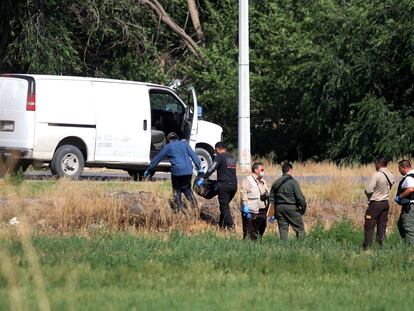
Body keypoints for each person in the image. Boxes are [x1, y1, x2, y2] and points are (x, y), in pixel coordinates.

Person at [145, 132, 202, 212]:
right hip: (188, 171)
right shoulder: (185, 144)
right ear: (177, 138)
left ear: (168, 140)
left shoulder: (167, 147)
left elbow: (157, 159)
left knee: (176, 189)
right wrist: (200, 169)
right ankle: (196, 209)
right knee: (187, 189)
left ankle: (179, 210)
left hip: (177, 171)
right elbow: (194, 156)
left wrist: (149, 169)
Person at [197, 142, 237, 230]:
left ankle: (231, 227)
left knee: (224, 207)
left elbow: (212, 168)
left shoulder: (219, 156)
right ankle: (221, 225)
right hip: (234, 186)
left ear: (218, 149)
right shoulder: (232, 157)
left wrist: (203, 178)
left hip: (224, 186)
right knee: (225, 206)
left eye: (215, 150)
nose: (216, 152)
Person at [363, 158, 395, 250]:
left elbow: (369, 189)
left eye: (375, 164)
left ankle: (367, 248)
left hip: (375, 203)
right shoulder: (391, 175)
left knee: (369, 226)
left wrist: (367, 193)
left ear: (378, 164)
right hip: (385, 203)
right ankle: (380, 247)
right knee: (382, 226)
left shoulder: (377, 175)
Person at [269, 162, 307, 240]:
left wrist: (271, 214)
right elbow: (300, 198)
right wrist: (303, 209)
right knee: (299, 229)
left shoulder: (275, 183)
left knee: (283, 230)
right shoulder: (293, 182)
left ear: (283, 171)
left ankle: (284, 248)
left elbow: (271, 199)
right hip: (291, 208)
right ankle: (303, 246)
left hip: (279, 209)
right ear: (290, 170)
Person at [240, 162, 270, 240]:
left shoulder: (263, 181)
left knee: (261, 230)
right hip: (251, 211)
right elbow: (243, 193)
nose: (263, 171)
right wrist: (245, 207)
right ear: (256, 170)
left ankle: (258, 245)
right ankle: (247, 246)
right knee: (249, 232)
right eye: (262, 169)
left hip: (262, 211)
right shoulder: (248, 180)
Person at [394, 159, 414, 244]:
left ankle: (410, 249)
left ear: (404, 167)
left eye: (400, 168)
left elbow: (410, 189)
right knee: (401, 224)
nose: (399, 170)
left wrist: (399, 197)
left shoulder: (409, 177)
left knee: (408, 226)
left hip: (410, 206)